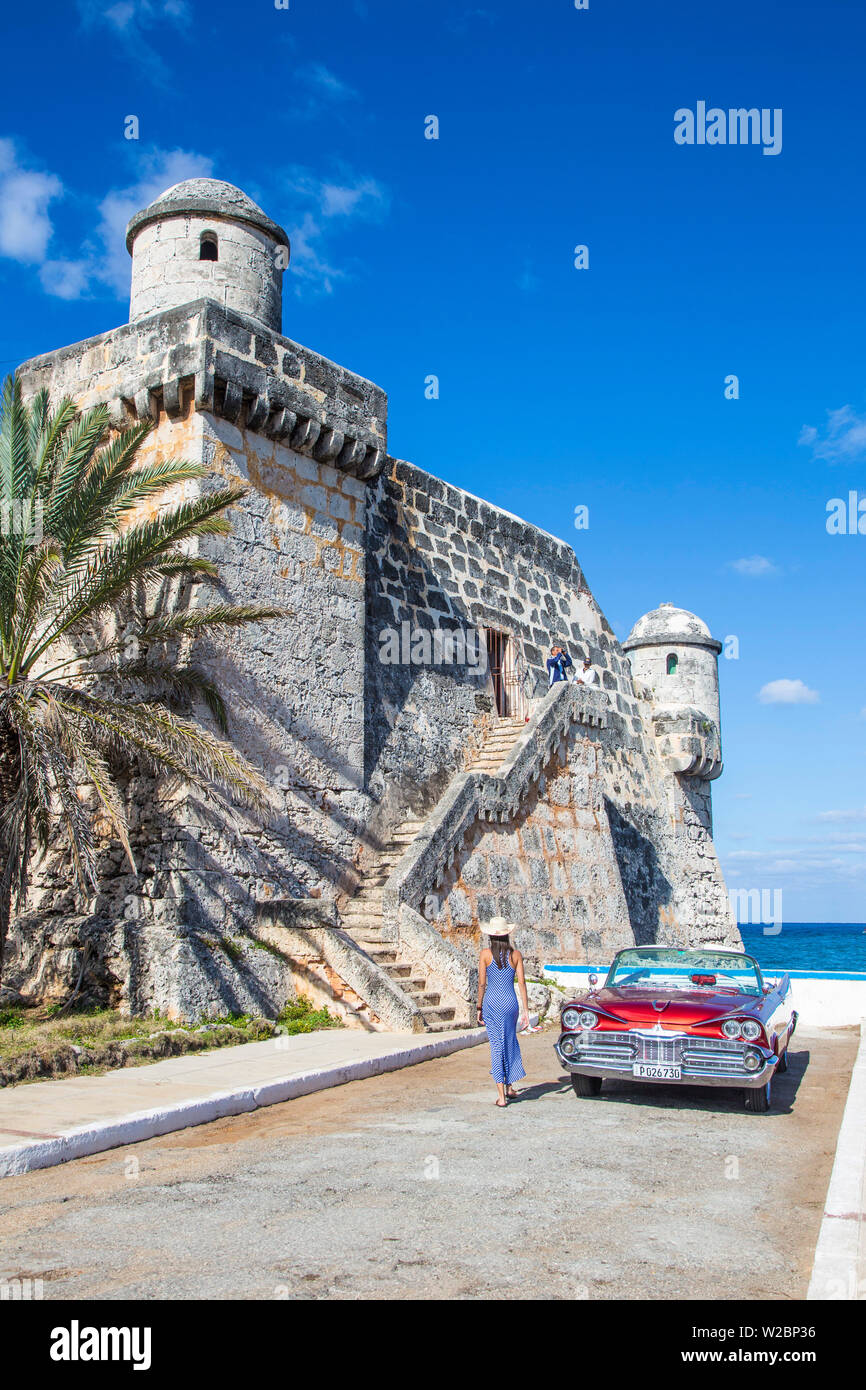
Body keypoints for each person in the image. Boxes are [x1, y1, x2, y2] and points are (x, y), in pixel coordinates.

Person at [477, 916, 529, 1106]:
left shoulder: (485, 954)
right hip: (510, 1003)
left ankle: (501, 1096)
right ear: (507, 935)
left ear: (490, 935)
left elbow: (482, 983)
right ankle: (509, 1086)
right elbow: (521, 983)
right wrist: (525, 1009)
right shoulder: (515, 955)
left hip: (492, 1002)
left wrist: (479, 1006)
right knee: (509, 1041)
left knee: (496, 1046)